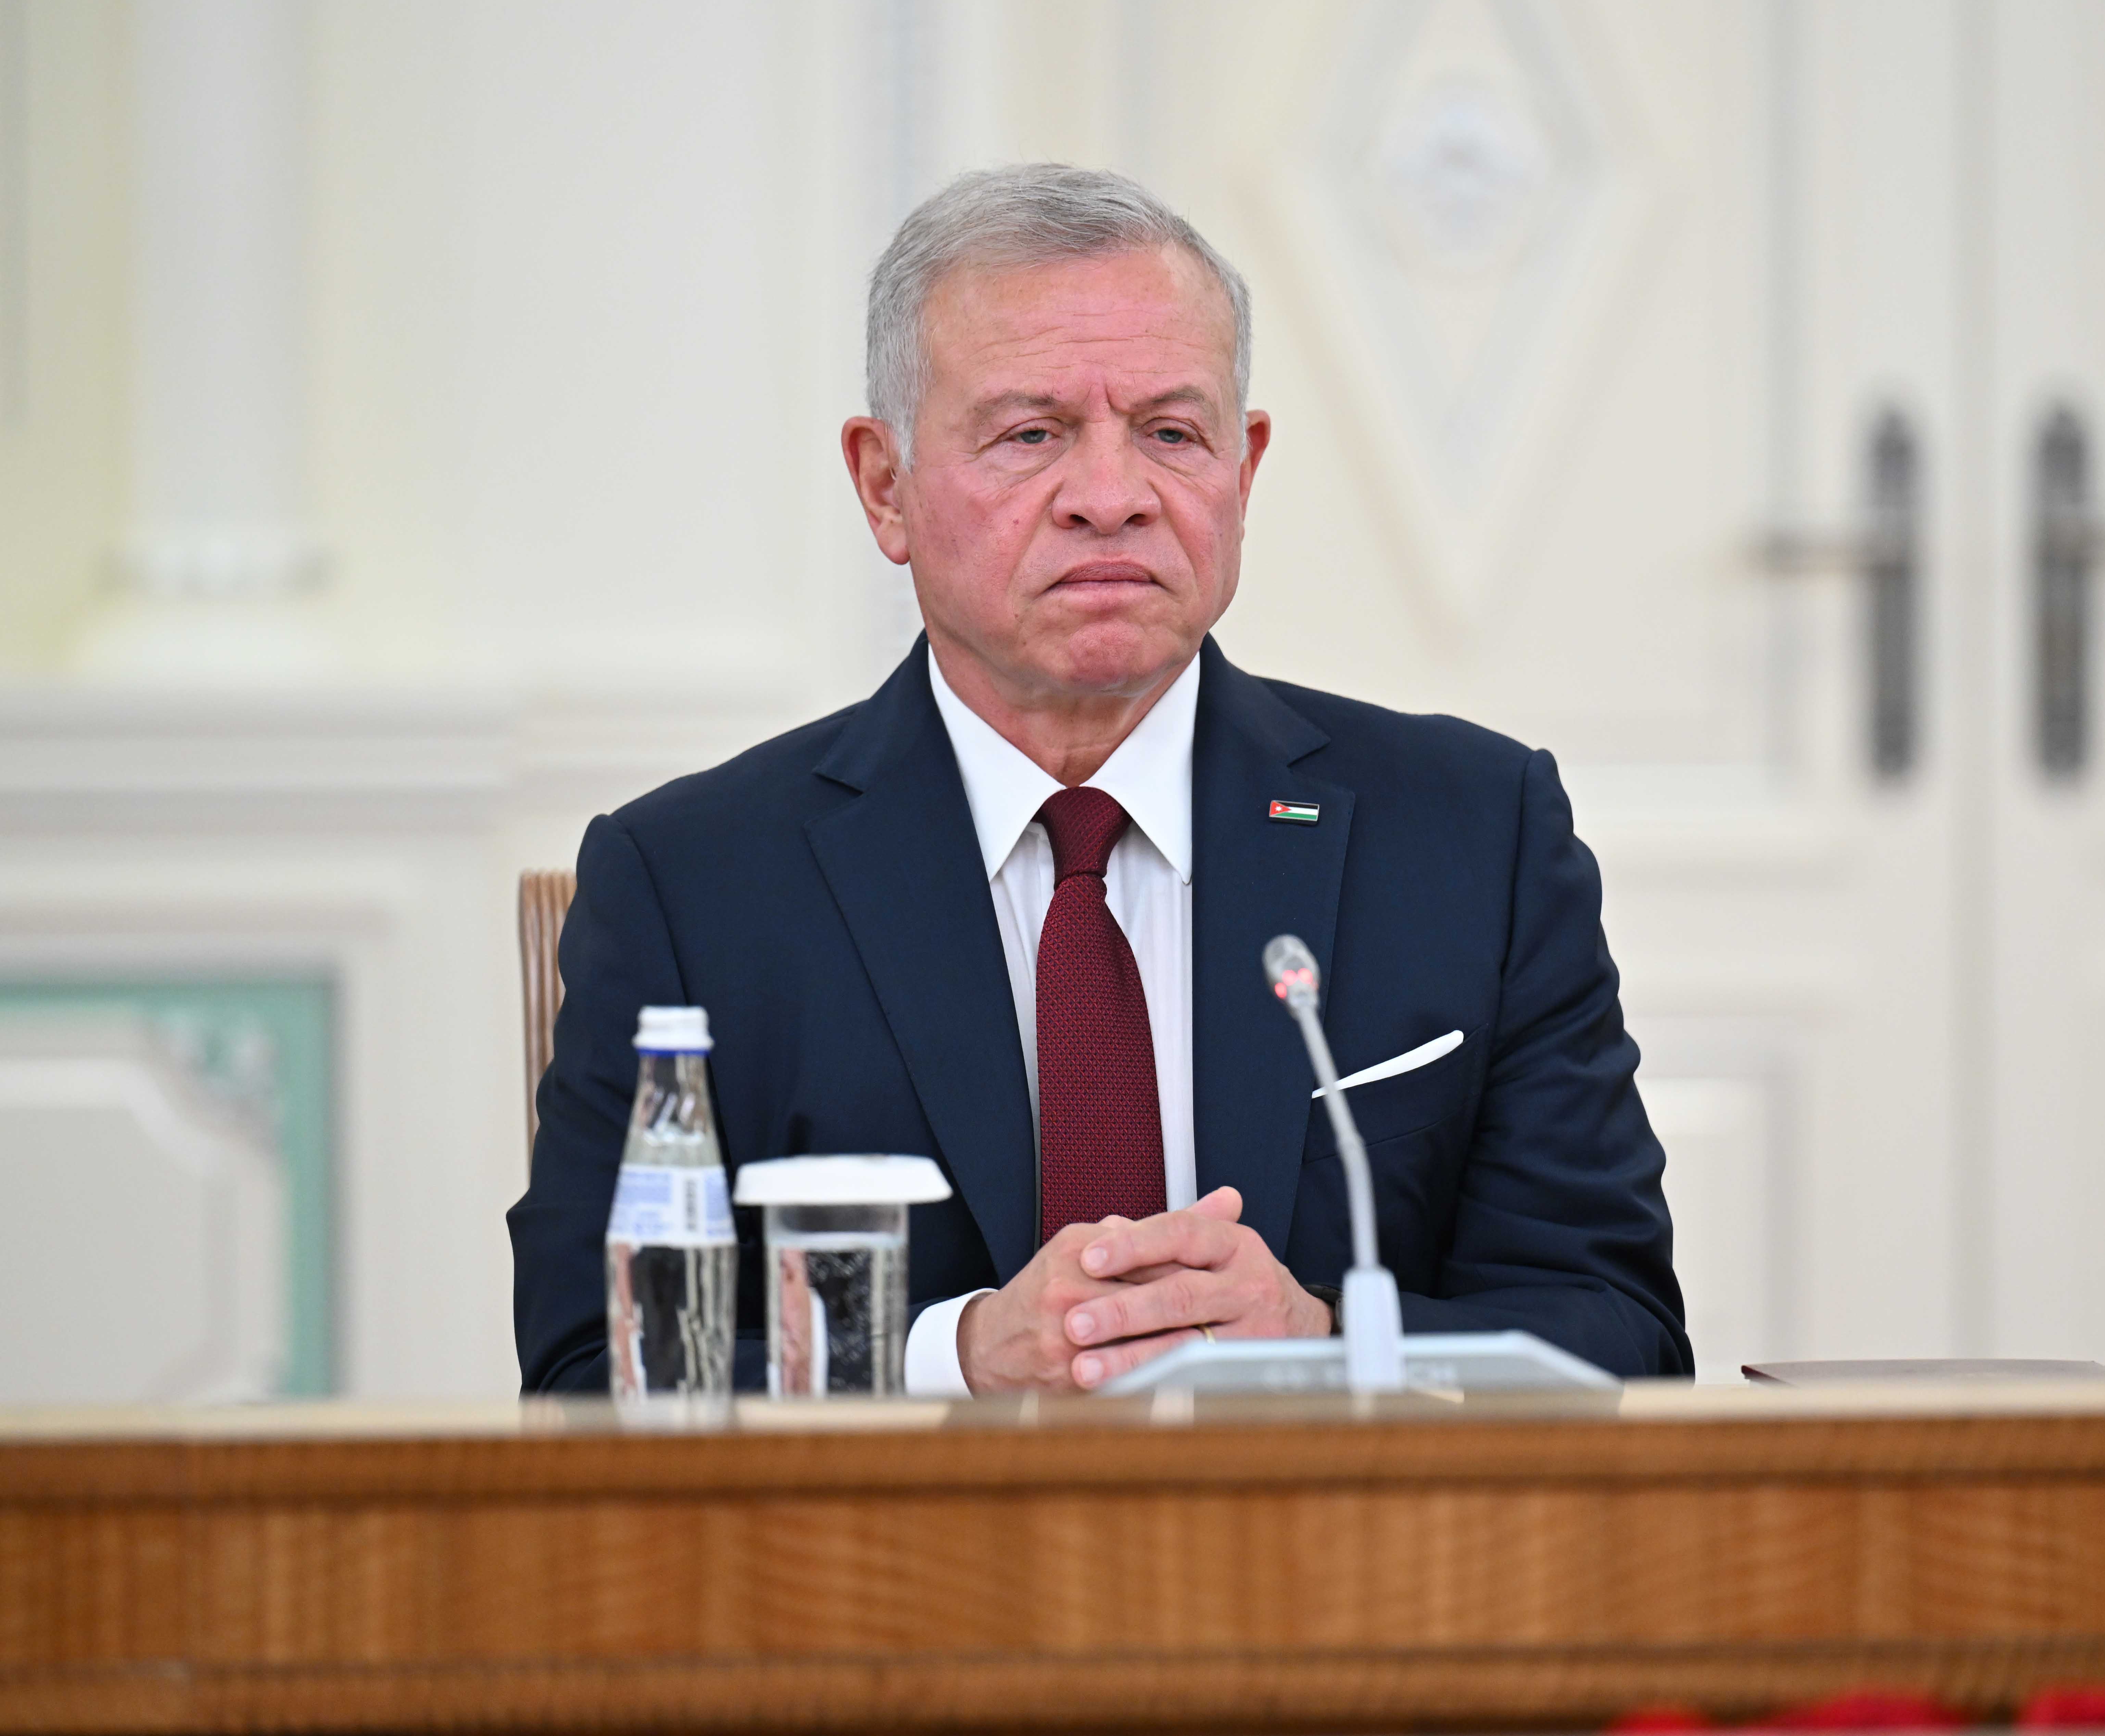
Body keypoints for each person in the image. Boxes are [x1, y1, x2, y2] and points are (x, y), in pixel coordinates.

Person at [509, 164, 1690, 1395]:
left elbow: (1621, 1334)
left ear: (1244, 471)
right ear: (883, 486)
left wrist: (1332, 1347)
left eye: (1172, 434)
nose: (1113, 498)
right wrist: (952, 1358)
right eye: (1031, 435)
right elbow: (591, 1377)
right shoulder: (692, 884)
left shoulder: (1473, 836)